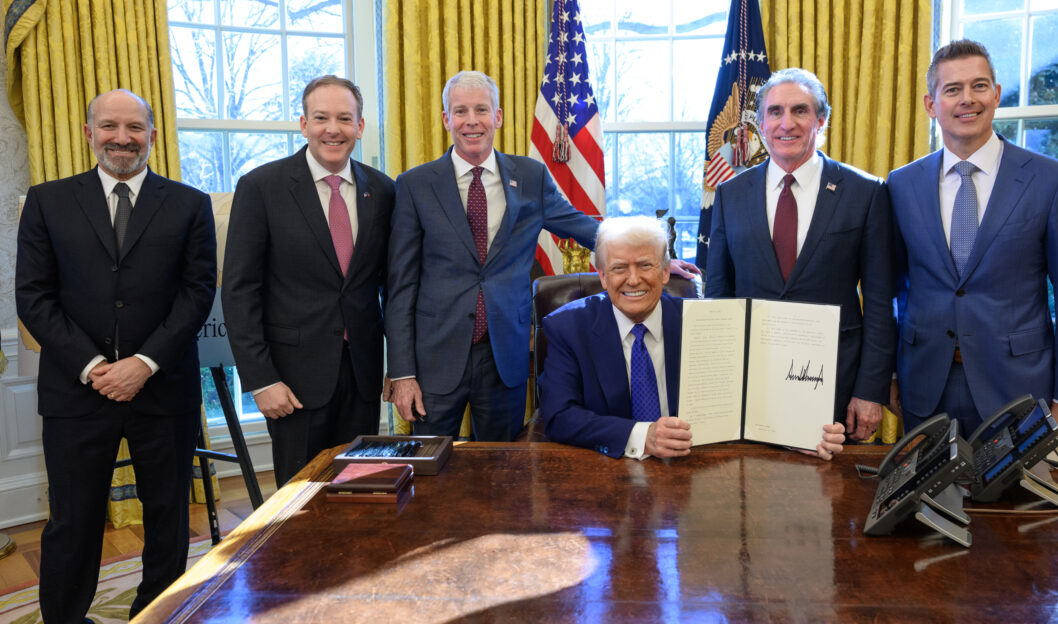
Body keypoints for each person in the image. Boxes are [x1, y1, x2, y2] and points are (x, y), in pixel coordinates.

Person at [386, 71, 699, 442]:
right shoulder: (414, 184)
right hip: (435, 358)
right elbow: (400, 286)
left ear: (498, 117)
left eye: (482, 110)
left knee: (504, 475)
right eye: (461, 111)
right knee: (429, 470)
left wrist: (652, 256)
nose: (472, 121)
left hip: (505, 355)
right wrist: (402, 373)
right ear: (446, 119)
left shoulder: (529, 175)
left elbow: (579, 225)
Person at [15, 89, 217, 623]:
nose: (122, 138)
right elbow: (33, 297)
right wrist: (94, 367)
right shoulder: (47, 201)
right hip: (75, 391)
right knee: (72, 520)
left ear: (153, 135)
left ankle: (158, 612)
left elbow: (197, 293)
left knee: (169, 515)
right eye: (109, 127)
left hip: (163, 388)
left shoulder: (190, 204)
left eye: (134, 128)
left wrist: (143, 363)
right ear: (89, 133)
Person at [888, 40, 1058, 437]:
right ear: (931, 105)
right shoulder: (901, 184)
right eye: (952, 89)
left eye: (979, 86)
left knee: (1015, 499)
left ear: (997, 95)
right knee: (930, 500)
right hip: (925, 384)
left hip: (1017, 387)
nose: (968, 99)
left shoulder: (1052, 182)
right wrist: (890, 374)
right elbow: (891, 289)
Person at [539, 216, 846, 460]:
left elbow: (744, 404)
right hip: (605, 477)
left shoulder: (707, 324)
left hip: (694, 470)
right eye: (619, 268)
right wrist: (641, 435)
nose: (633, 279)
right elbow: (559, 417)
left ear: (664, 272)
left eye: (645, 265)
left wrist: (795, 436)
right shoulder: (567, 328)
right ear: (603, 277)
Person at [223, 75, 397, 487]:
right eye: (321, 118)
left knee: (359, 491)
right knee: (300, 500)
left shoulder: (384, 191)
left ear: (360, 126)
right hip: (292, 382)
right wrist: (262, 379)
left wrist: (400, 364)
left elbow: (394, 285)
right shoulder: (261, 187)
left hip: (362, 376)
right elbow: (239, 291)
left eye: (344, 118)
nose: (332, 129)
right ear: (303, 124)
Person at [705, 68, 895, 442]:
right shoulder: (731, 194)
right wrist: (719, 387)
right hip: (751, 381)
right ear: (760, 123)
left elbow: (879, 303)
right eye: (775, 112)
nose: (786, 123)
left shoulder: (865, 193)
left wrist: (870, 391)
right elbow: (717, 297)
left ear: (820, 120)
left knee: (831, 495)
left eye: (800, 111)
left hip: (835, 382)